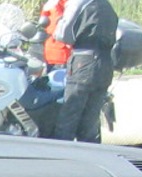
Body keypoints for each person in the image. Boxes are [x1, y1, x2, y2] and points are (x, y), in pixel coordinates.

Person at [53, 0, 118, 142]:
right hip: (106, 63)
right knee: (90, 124)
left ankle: (60, 159)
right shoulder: (108, 6)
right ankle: (88, 158)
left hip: (83, 61)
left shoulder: (78, 3)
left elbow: (63, 34)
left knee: (68, 119)